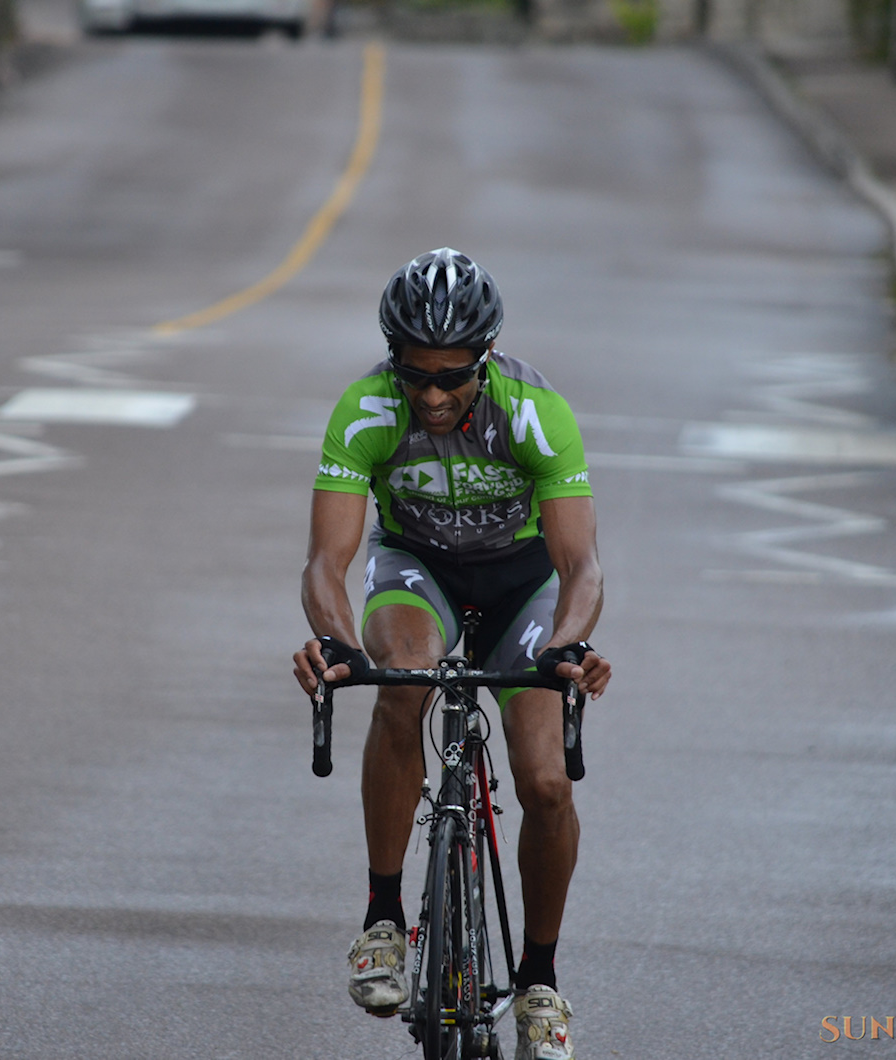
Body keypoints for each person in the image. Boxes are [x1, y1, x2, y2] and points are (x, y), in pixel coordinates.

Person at [293, 248, 611, 1060]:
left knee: (544, 780)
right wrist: (333, 643)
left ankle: (539, 978)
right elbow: (326, 563)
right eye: (415, 374)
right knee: (402, 687)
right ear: (392, 358)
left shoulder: (537, 414)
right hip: (417, 571)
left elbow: (581, 567)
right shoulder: (367, 410)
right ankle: (384, 920)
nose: (432, 395)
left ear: (488, 356)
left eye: (452, 376)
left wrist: (570, 647)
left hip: (521, 583)